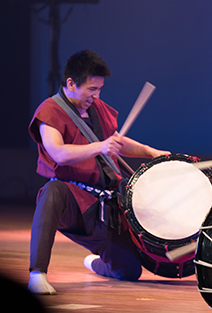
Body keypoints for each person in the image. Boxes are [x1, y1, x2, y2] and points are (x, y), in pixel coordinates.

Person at [27, 49, 170, 294]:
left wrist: (151, 152)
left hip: (105, 205)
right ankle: (37, 273)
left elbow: (116, 142)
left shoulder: (97, 108)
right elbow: (58, 153)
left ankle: (95, 263)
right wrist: (100, 147)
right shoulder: (50, 111)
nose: (96, 95)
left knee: (129, 271)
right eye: (91, 89)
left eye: (100, 89)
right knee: (52, 191)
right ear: (71, 83)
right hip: (73, 201)